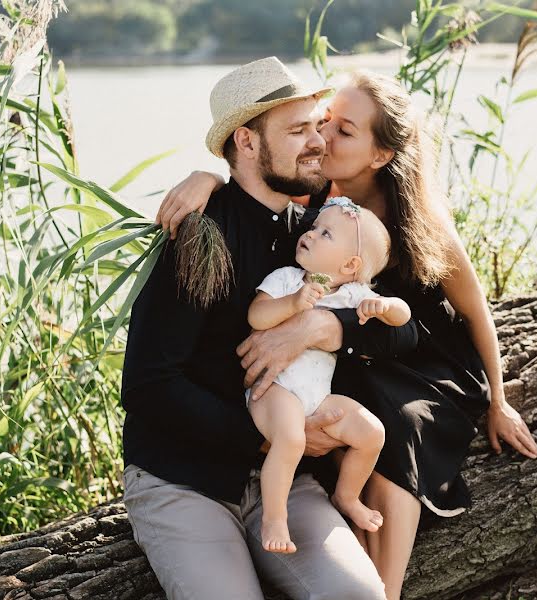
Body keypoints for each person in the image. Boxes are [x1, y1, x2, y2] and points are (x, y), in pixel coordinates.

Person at [156, 69, 537, 600]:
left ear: (380, 155)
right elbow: (255, 184)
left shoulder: (417, 220)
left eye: (341, 130)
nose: (323, 138)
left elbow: (473, 314)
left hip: (424, 360)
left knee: (392, 420)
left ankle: (384, 578)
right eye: (322, 123)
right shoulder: (317, 204)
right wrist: (211, 179)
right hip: (360, 361)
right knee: (344, 404)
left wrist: (499, 401)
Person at [120, 57, 416, 600]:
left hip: (283, 482)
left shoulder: (313, 231)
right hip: (183, 480)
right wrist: (266, 439)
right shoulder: (200, 240)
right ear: (248, 143)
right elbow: (148, 384)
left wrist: (325, 326)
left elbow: (400, 333)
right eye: (298, 130)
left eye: (317, 125)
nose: (318, 141)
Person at [248, 196, 411, 554]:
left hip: (316, 397)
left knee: (372, 433)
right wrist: (292, 304)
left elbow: (404, 315)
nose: (311, 234)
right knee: (291, 439)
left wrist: (383, 307)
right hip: (277, 389)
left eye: (326, 234)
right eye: (314, 227)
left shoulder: (352, 294)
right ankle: (274, 517)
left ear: (351, 264)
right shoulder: (288, 279)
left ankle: (346, 495)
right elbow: (256, 317)